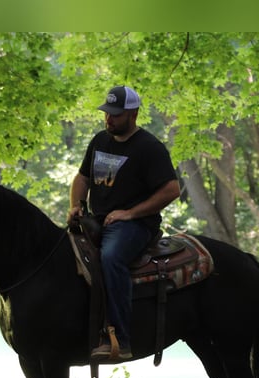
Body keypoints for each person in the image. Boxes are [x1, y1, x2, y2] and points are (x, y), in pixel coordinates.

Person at [68, 85, 181, 361]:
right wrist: (75, 205)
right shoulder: (99, 141)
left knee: (111, 257)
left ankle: (120, 337)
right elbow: (82, 178)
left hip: (136, 224)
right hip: (98, 219)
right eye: (107, 114)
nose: (109, 119)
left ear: (133, 114)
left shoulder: (149, 148)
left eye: (116, 115)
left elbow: (171, 190)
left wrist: (129, 213)